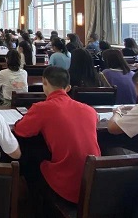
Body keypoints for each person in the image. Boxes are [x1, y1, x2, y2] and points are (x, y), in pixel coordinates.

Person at [14, 66, 101, 204]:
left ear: (44, 82)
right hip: (94, 182)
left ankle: (35, 206)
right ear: (68, 87)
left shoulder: (42, 108)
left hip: (66, 184)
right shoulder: (89, 110)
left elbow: (20, 130)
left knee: (29, 158)